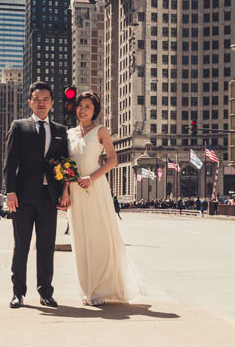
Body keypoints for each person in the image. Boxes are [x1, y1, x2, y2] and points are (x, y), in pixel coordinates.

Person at [67, 91, 140, 307]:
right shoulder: (69, 133)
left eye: (88, 106)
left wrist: (92, 178)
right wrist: (65, 192)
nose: (82, 110)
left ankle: (100, 288)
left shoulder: (101, 131)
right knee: (80, 241)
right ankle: (86, 289)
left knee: (98, 238)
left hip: (95, 189)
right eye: (80, 105)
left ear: (95, 111)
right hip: (75, 191)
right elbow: (66, 165)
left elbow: (113, 160)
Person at [4, 80, 69, 310]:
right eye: (36, 99)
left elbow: (65, 164)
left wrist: (64, 191)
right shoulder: (19, 127)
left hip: (48, 197)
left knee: (46, 246)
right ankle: (18, 293)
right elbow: (10, 163)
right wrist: (9, 191)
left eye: (45, 99)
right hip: (22, 197)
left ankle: (45, 292)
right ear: (29, 102)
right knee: (21, 246)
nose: (41, 103)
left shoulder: (60, 131)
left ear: (52, 103)